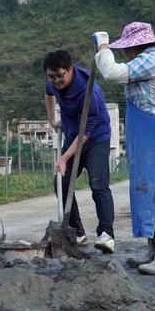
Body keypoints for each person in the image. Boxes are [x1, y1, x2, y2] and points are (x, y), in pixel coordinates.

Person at [93, 22, 155, 274]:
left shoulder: (150, 61)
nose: (126, 54)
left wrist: (102, 47)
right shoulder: (145, 63)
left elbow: (111, 73)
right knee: (145, 194)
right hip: (148, 141)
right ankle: (153, 250)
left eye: (127, 49)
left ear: (136, 46)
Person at [44, 50, 116, 254]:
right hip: (73, 135)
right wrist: (51, 119)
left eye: (60, 75)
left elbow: (87, 132)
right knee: (61, 183)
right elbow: (49, 93)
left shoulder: (88, 91)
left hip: (95, 138)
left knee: (98, 184)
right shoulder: (53, 82)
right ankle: (76, 232)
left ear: (70, 69)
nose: (56, 80)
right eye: (52, 76)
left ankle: (107, 235)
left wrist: (64, 157)